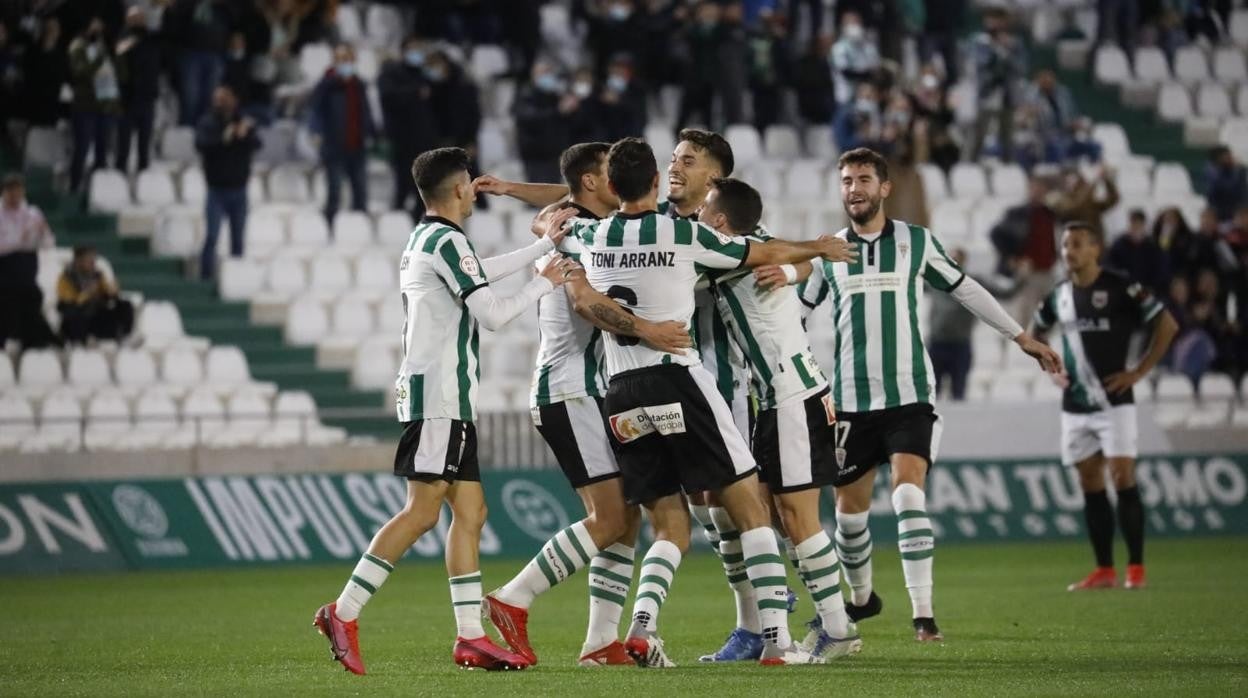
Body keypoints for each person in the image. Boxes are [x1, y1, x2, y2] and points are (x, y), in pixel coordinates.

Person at [568, 137, 856, 667]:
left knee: (761, 514)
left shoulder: (622, 231)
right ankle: (762, 629)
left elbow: (776, 252)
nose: (677, 167)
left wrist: (798, 267)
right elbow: (774, 252)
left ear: (715, 180)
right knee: (733, 516)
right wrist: (811, 253)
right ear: (653, 180)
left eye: (688, 161)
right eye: (672, 160)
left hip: (727, 390)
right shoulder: (682, 233)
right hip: (694, 388)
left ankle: (809, 626)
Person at [313, 147, 579, 674]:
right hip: (440, 395)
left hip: (442, 394)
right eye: (471, 184)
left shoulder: (426, 238)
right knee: (422, 511)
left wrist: (542, 248)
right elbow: (494, 314)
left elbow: (478, 273)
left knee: (471, 513)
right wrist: (545, 281)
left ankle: (470, 637)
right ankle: (342, 612)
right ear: (460, 189)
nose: (475, 192)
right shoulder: (449, 241)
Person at [791, 148, 1062, 642]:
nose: (854, 188)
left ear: (884, 188)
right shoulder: (829, 251)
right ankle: (861, 598)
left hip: (910, 395)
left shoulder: (916, 243)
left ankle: (923, 615)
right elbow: (796, 315)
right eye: (847, 180)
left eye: (864, 179)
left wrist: (1021, 337)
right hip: (851, 402)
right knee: (848, 517)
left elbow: (967, 290)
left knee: (909, 493)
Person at [478, 142, 691, 668]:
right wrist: (647, 330)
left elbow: (563, 197)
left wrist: (510, 190)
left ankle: (600, 643)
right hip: (568, 390)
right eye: (605, 173)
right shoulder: (575, 234)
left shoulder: (581, 222)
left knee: (626, 520)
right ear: (595, 184)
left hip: (590, 392)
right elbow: (584, 299)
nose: (616, 181)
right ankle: (513, 597)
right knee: (610, 515)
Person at [699, 177, 863, 661]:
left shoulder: (724, 252)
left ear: (721, 221)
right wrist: (795, 269)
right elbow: (796, 255)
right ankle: (821, 622)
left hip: (792, 394)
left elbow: (793, 255)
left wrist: (794, 267)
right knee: (769, 512)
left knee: (798, 517)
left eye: (707, 208)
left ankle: (838, 628)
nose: (701, 215)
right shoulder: (760, 243)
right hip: (778, 397)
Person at [1030, 222, 1178, 592]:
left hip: (1115, 400)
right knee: (1089, 483)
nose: (1070, 252)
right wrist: (1052, 372)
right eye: (1065, 245)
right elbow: (1034, 334)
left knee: (1122, 477)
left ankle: (1137, 568)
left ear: (1096, 249)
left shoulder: (1121, 286)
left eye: (1078, 245)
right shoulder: (1059, 295)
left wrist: (1139, 371)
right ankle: (1104, 570)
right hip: (1075, 403)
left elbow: (1168, 324)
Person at [195, 85, 259, 280]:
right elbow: (203, 146)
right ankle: (206, 276)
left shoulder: (243, 121)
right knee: (212, 236)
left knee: (238, 239)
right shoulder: (208, 122)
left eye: (226, 98)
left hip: (239, 190)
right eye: (219, 99)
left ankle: (236, 278)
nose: (222, 103)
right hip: (217, 191)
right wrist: (226, 136)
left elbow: (257, 144)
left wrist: (244, 134)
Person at [307, 43, 375, 223]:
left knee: (360, 189)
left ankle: (360, 226)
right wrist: (316, 133)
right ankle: (330, 227)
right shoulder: (326, 85)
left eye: (347, 59)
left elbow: (365, 112)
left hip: (357, 145)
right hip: (334, 146)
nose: (344, 64)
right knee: (335, 190)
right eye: (340, 60)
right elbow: (315, 111)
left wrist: (371, 133)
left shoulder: (359, 85)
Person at [378, 36, 438, 218]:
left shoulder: (425, 74)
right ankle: (398, 217)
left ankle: (419, 217)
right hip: (401, 137)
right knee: (403, 179)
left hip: (424, 138)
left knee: (425, 181)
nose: (416, 54)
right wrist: (414, 93)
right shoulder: (391, 72)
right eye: (413, 50)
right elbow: (388, 97)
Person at [0, 174, 59, 349]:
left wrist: (43, 232)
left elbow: (48, 243)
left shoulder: (33, 213)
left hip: (27, 266)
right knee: (7, 302)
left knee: (31, 299)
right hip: (5, 268)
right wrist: (20, 240)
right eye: (11, 190)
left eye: (18, 190)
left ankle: (32, 342)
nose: (15, 195)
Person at [67, 18, 120, 191]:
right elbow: (80, 72)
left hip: (104, 107)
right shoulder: (78, 46)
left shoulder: (102, 45)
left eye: (100, 25)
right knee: (81, 150)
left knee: (102, 152)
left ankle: (98, 190)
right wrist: (98, 58)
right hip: (85, 107)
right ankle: (75, 188)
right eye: (95, 24)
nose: (99, 28)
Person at [970, 7, 1026, 161]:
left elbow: (1021, 68)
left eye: (997, 20)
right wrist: (995, 50)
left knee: (1007, 137)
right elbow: (981, 64)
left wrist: (1005, 51)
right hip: (987, 92)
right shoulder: (980, 41)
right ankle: (969, 166)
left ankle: (1008, 168)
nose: (993, 24)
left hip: (1007, 95)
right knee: (978, 135)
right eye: (990, 19)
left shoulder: (1014, 43)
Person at [167, 0, 233, 126]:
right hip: (191, 54)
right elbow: (175, 20)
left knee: (210, 98)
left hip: (215, 55)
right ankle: (186, 134)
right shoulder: (187, 4)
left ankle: (205, 132)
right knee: (190, 97)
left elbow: (232, 21)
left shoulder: (222, 7)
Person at [56, 245, 135, 344]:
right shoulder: (67, 277)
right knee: (78, 315)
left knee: (125, 305)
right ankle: (82, 341)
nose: (93, 262)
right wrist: (86, 294)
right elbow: (68, 301)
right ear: (78, 261)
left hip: (97, 314)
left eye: (93, 259)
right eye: (89, 259)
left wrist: (112, 292)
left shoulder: (97, 275)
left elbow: (105, 293)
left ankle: (125, 335)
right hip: (77, 316)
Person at [114, 6, 161, 172]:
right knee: (123, 141)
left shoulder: (151, 38)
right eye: (134, 18)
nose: (138, 21)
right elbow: (120, 53)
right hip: (127, 97)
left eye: (140, 18)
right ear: (127, 20)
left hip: (147, 96)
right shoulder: (122, 37)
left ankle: (143, 173)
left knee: (144, 141)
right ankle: (119, 172)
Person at [513, 60, 574, 185]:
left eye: (549, 72)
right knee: (537, 190)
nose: (547, 76)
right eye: (543, 73)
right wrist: (558, 111)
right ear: (534, 75)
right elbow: (529, 118)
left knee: (553, 190)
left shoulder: (556, 95)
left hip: (554, 151)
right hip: (535, 151)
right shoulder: (526, 94)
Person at [1108, 209, 1170, 295]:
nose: (1136, 228)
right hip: (1124, 291)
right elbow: (1110, 266)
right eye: (1134, 224)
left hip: (1146, 291)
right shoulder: (1119, 245)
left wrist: (1152, 286)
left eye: (1139, 224)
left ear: (1144, 225)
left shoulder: (1152, 247)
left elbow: (1159, 269)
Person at [1204, 146, 1248, 223]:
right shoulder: (1212, 171)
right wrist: (1241, 172)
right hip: (1220, 213)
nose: (1230, 158)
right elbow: (1225, 187)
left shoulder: (1230, 170)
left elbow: (1242, 192)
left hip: (1234, 212)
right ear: (1219, 158)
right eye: (1227, 156)